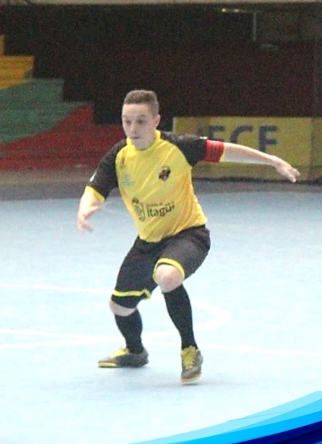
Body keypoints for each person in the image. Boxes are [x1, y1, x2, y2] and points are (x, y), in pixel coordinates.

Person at [76, 89, 299, 384]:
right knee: (120, 307)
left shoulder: (178, 147)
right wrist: (85, 208)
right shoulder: (119, 156)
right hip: (147, 243)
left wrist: (272, 160)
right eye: (126, 121)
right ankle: (134, 351)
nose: (133, 129)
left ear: (156, 120)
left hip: (188, 235)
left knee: (167, 276)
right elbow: (96, 189)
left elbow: (226, 150)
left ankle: (190, 349)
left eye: (141, 121)